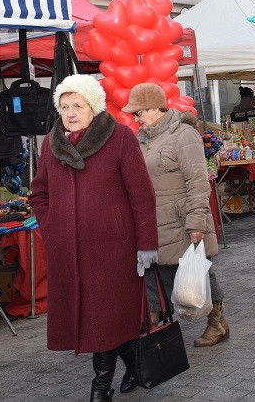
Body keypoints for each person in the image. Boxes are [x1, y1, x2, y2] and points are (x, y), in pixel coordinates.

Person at [29, 74, 159, 401]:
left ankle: (100, 387)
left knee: (105, 319)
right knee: (101, 319)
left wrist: (146, 244)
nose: (70, 113)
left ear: (94, 106)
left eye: (78, 105)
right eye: (64, 106)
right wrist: (52, 226)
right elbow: (39, 193)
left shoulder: (119, 138)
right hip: (69, 252)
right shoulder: (51, 144)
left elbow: (142, 196)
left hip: (114, 250)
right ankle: (134, 366)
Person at [122, 83, 229, 347]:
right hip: (154, 220)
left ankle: (217, 322)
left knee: (198, 272)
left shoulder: (184, 135)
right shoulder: (141, 139)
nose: (136, 118)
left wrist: (196, 221)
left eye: (138, 112)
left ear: (154, 108)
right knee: (153, 273)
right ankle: (153, 328)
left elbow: (198, 181)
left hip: (181, 220)